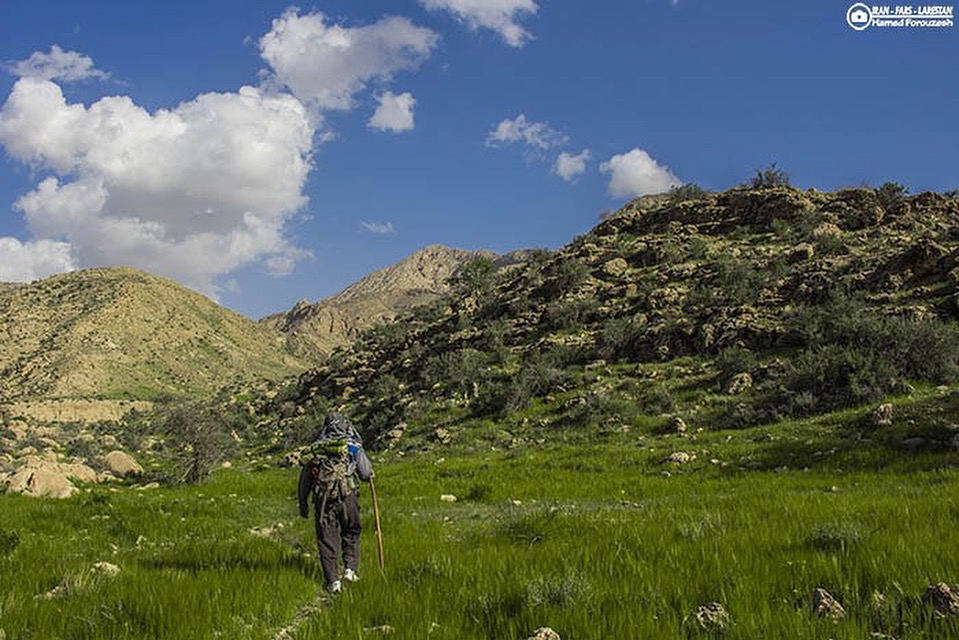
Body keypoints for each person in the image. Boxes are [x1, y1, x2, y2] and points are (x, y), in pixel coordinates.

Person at [298, 411, 373, 593]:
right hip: (348, 495)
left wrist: (303, 503)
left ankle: (333, 582)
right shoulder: (353, 446)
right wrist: (369, 473)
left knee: (326, 538)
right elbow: (364, 473)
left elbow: (305, 480)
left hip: (323, 500)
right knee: (351, 531)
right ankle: (350, 570)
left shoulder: (317, 449)